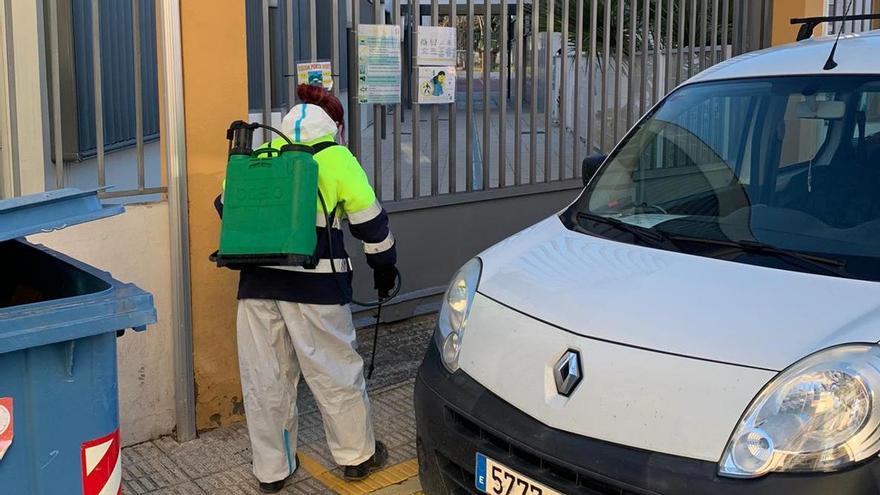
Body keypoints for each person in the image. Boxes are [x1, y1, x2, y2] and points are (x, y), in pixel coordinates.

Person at [214, 84, 397, 493]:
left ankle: (272, 470)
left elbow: (226, 208)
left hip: (257, 286)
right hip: (317, 287)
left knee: (265, 379)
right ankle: (356, 457)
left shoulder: (260, 154)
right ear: (334, 124)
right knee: (334, 372)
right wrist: (384, 267)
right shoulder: (336, 159)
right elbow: (371, 225)